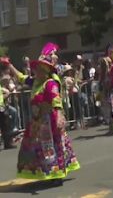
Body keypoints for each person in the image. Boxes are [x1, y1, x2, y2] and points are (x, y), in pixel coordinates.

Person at [5, 43, 80, 184]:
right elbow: (22, 77)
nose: (36, 71)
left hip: (49, 120)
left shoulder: (50, 83)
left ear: (45, 71)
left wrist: (59, 116)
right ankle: (46, 171)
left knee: (53, 146)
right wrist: (10, 66)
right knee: (37, 148)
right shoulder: (36, 82)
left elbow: (56, 100)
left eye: (39, 69)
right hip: (37, 121)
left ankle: (57, 174)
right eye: (36, 69)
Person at [98, 45, 113, 136]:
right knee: (109, 110)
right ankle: (111, 128)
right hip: (107, 91)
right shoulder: (104, 72)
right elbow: (101, 78)